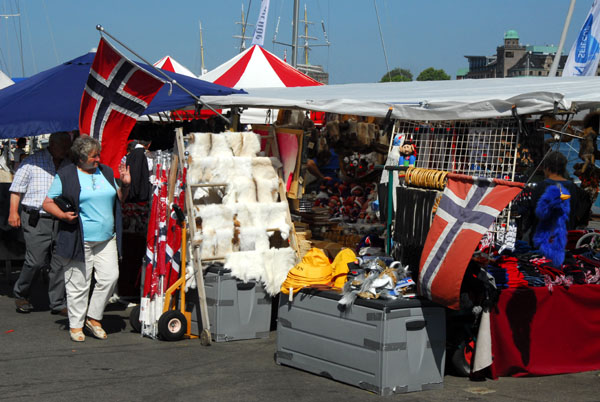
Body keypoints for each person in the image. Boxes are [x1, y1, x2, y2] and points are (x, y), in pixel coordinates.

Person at [42, 135, 130, 342]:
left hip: (106, 238)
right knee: (78, 284)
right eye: (94, 156)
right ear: (80, 158)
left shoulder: (106, 172)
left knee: (110, 278)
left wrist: (124, 185)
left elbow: (118, 199)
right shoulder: (66, 175)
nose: (98, 158)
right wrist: (63, 215)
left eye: (98, 154)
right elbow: (47, 202)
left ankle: (93, 317)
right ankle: (75, 324)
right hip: (78, 239)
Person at [8, 132, 72, 315]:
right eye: (64, 146)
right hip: (37, 218)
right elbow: (16, 189)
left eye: (68, 146)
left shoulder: (69, 163)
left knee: (60, 262)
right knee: (35, 261)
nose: (66, 150)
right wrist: (13, 212)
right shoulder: (32, 161)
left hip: (61, 218)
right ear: (52, 144)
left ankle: (58, 303)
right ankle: (21, 293)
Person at [522, 151, 591, 242]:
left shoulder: (541, 186)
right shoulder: (572, 188)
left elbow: (532, 214)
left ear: (548, 168)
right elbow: (581, 205)